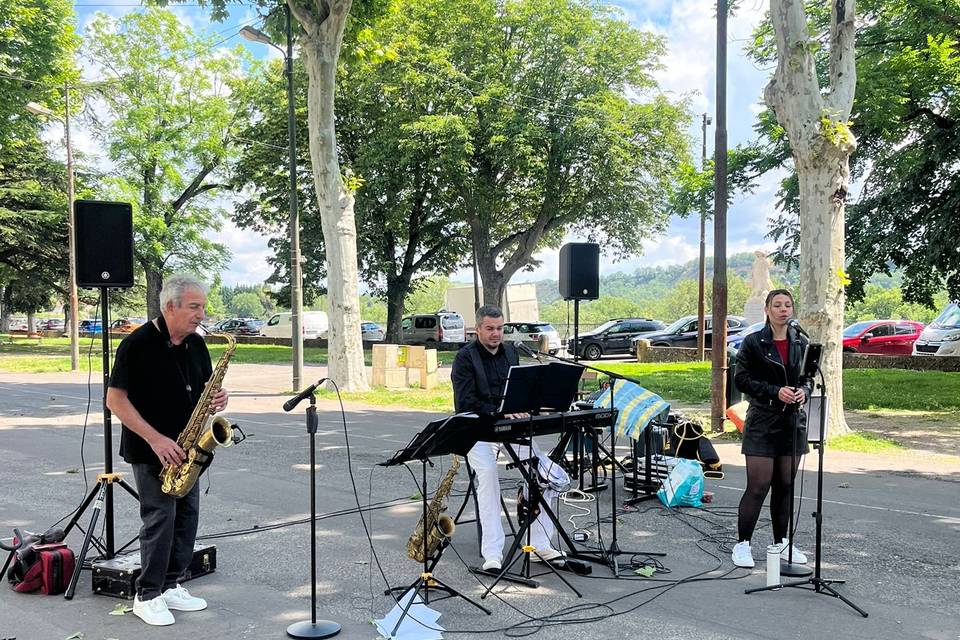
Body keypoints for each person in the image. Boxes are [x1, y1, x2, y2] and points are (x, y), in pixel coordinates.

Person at [106, 274, 229, 626]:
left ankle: (172, 584)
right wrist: (156, 439)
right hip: (151, 448)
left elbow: (206, 391)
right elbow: (115, 400)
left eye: (203, 307)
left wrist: (218, 399)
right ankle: (147, 595)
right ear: (170, 306)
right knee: (161, 519)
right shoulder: (138, 344)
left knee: (187, 517)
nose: (201, 315)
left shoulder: (196, 344)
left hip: (188, 448)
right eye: (194, 307)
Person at [451, 305, 567, 571]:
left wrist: (528, 405)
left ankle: (539, 543)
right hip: (477, 430)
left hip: (510, 428)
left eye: (500, 328)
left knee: (544, 471)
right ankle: (493, 553)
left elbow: (517, 389)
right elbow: (465, 402)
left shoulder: (511, 352)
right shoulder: (465, 358)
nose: (495, 334)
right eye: (490, 329)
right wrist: (500, 412)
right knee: (488, 475)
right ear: (477, 329)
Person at [731, 289, 811, 568]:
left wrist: (803, 391)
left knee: (785, 485)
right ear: (767, 309)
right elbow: (741, 379)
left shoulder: (801, 341)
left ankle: (781, 543)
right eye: (777, 305)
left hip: (792, 422)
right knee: (759, 484)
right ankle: (742, 544)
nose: (783, 309)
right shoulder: (754, 342)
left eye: (788, 304)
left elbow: (809, 377)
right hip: (762, 421)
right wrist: (774, 392)